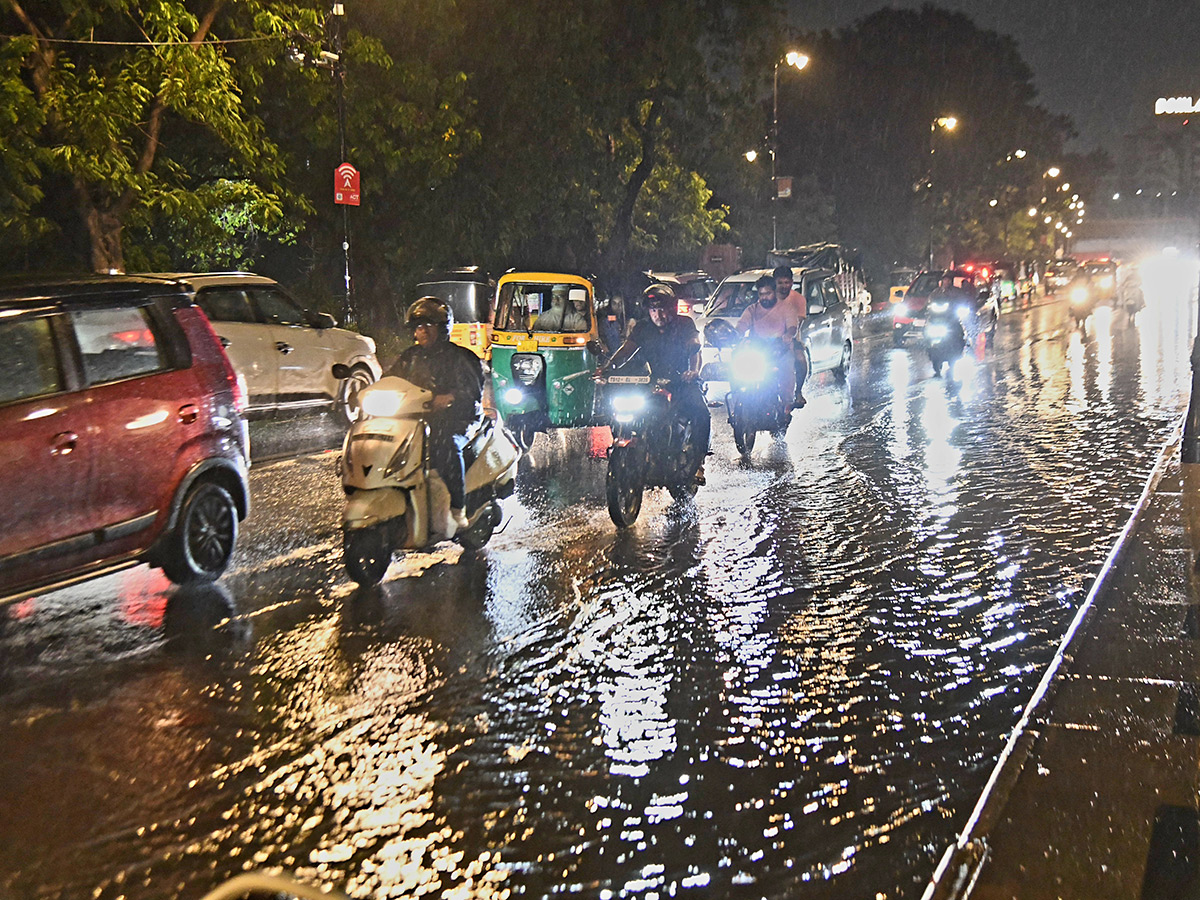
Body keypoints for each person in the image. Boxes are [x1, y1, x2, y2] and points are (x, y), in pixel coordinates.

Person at [387, 297, 484, 530]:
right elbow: (390, 380)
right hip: (417, 419)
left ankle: (458, 509)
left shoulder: (462, 357)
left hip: (458, 417)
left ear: (443, 328)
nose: (423, 331)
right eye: (418, 326)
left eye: (428, 325)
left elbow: (472, 391)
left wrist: (451, 397)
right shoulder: (410, 357)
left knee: (445, 444)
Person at [602, 283, 710, 485]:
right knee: (623, 410)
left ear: (672, 308)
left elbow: (695, 349)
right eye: (653, 310)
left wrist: (693, 371)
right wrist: (607, 367)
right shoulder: (642, 328)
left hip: (682, 381)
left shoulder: (684, 324)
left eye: (662, 309)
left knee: (701, 413)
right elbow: (626, 350)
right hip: (651, 383)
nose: (658, 314)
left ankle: (698, 462)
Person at [736, 274, 801, 409]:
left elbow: (792, 327)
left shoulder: (787, 308)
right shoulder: (752, 310)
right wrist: (735, 335)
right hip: (757, 352)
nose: (764, 297)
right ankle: (739, 399)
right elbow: (742, 325)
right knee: (737, 369)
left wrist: (788, 335)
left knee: (787, 371)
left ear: (774, 292)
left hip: (780, 351)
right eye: (761, 294)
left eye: (768, 293)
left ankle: (786, 405)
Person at [773, 265, 809, 408]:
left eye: (787, 282)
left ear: (792, 283)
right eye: (780, 283)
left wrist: (787, 335)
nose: (783, 286)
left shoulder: (798, 299)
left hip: (790, 340)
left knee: (800, 359)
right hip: (768, 340)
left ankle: (798, 391)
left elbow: (797, 322)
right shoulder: (768, 297)